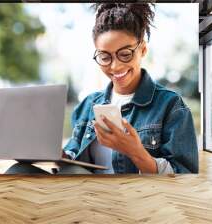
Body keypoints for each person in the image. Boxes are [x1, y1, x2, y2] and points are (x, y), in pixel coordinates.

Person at [63, 3, 198, 174]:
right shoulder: (87, 105)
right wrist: (59, 155)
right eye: (105, 57)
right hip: (90, 194)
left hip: (138, 195)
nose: (115, 66)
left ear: (142, 49)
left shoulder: (170, 105)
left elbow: (184, 176)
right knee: (19, 168)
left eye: (125, 54)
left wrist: (136, 152)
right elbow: (72, 160)